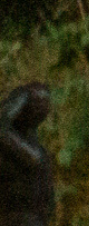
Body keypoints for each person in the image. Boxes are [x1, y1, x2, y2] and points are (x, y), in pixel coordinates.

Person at [0, 84, 53, 226]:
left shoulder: (32, 141)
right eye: (37, 102)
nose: (43, 106)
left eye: (45, 101)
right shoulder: (15, 144)